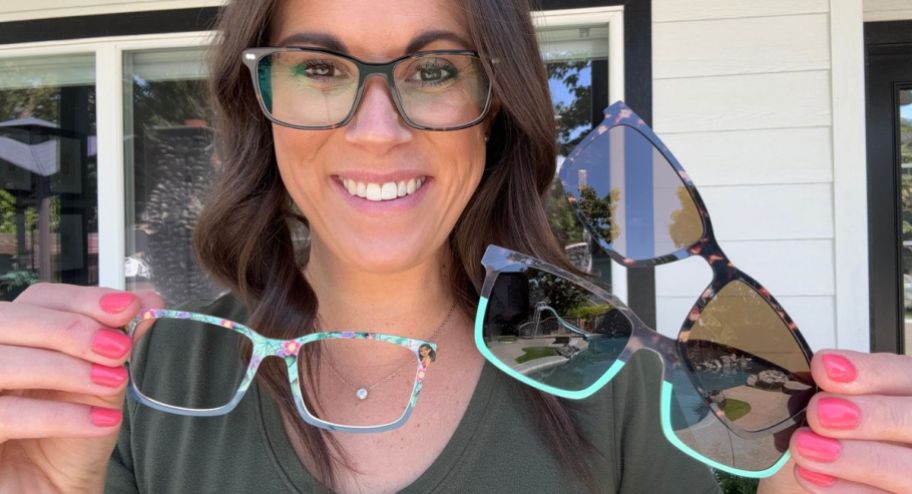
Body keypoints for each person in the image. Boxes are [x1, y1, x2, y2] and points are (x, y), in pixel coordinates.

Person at [1, 0, 910, 492]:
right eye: (319, 70)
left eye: (434, 71)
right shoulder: (148, 386)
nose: (375, 130)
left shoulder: (624, 383)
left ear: (497, 112)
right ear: (262, 109)